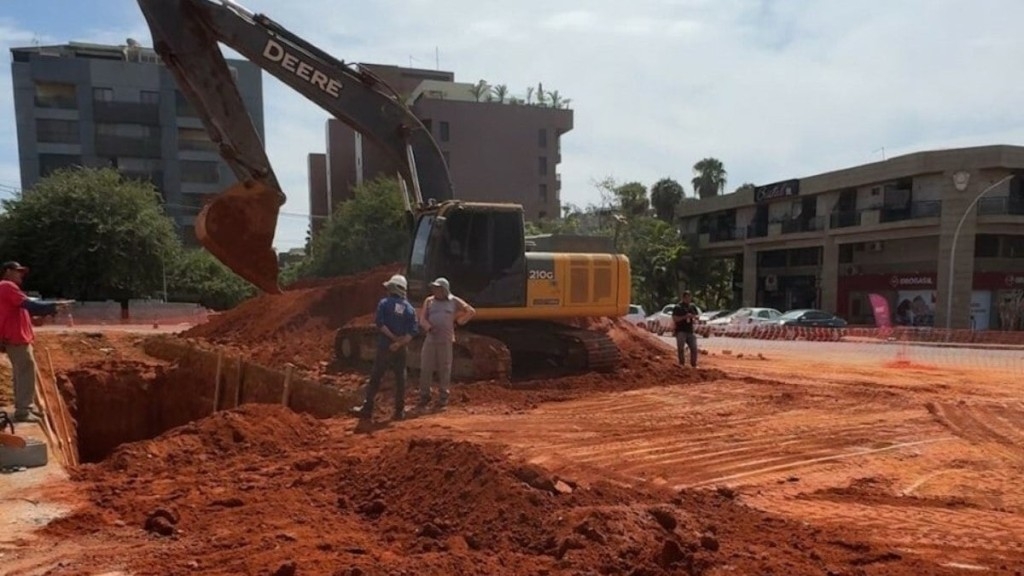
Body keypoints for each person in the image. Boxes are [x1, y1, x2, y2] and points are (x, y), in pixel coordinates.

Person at [0, 261, 68, 423]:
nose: (21, 275)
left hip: (18, 338)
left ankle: (25, 407)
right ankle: (23, 410)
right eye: (18, 271)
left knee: (22, 372)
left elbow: (28, 313)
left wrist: (46, 312)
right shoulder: (6, 286)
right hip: (16, 339)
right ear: (8, 271)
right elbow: (31, 305)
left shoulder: (11, 291)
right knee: (25, 371)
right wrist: (53, 306)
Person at [350, 274, 419, 421]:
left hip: (385, 346)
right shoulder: (410, 309)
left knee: (376, 376)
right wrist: (399, 343)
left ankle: (367, 408)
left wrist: (392, 339)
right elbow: (412, 331)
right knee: (400, 378)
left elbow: (380, 324)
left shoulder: (384, 303)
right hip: (401, 348)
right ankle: (399, 412)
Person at [417, 277, 475, 411]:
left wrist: (461, 320)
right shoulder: (429, 301)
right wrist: (428, 327)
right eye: (434, 288)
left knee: (445, 369)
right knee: (426, 367)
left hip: (446, 340)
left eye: (438, 288)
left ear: (444, 290)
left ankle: (443, 397)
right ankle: (424, 396)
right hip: (431, 339)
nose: (435, 291)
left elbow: (471, 311)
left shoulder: (454, 301)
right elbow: (422, 319)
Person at [671, 290, 700, 368]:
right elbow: (675, 319)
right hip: (681, 331)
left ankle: (693, 364)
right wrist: (685, 317)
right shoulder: (678, 307)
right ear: (683, 298)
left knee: (694, 348)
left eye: (689, 297)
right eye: (687, 298)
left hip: (690, 330)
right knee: (681, 348)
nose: (688, 299)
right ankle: (681, 364)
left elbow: (697, 316)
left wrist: (693, 317)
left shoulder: (692, 307)